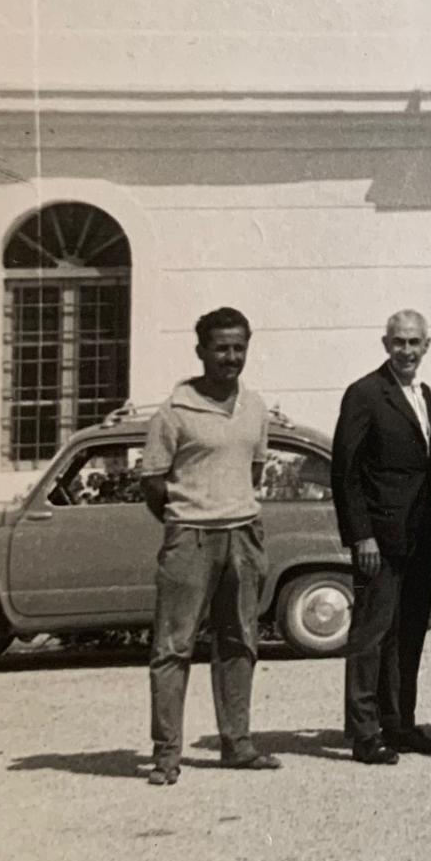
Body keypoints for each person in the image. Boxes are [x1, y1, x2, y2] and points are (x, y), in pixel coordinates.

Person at [140, 306, 280, 786]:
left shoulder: (255, 406)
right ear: (201, 350)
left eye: (239, 347)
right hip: (190, 540)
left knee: (240, 640)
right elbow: (154, 484)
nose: (231, 357)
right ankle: (166, 755)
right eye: (221, 347)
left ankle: (237, 744)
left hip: (243, 535)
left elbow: (254, 471)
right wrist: (189, 517)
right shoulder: (173, 412)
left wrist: (230, 511)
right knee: (173, 647)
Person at [331, 309, 431, 765]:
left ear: (426, 346)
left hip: (420, 535)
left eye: (414, 342)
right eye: (398, 342)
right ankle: (364, 732)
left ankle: (399, 724)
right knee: (370, 636)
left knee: (410, 633)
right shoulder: (364, 394)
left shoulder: (422, 394)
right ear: (386, 345)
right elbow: (346, 471)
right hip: (379, 538)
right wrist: (361, 536)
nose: (406, 351)